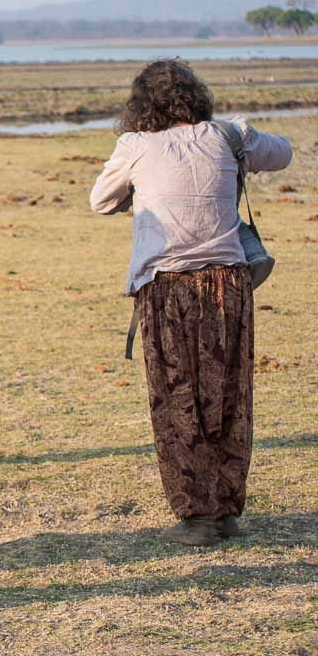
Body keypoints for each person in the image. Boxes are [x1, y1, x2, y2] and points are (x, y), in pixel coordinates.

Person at [90, 59, 292, 546]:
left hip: (168, 287)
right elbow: (282, 154)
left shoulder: (135, 146)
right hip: (229, 282)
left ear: (142, 104)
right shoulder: (229, 135)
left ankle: (197, 517)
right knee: (229, 395)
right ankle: (225, 510)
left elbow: (100, 200)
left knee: (177, 396)